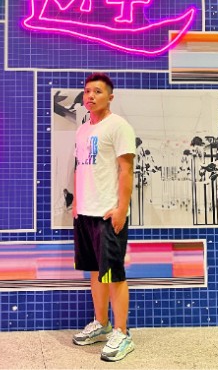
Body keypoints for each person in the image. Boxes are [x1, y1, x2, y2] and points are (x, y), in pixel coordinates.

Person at [72, 72, 136, 362]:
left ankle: (122, 333)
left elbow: (126, 170)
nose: (91, 96)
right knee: (95, 271)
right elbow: (80, 168)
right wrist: (77, 203)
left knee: (113, 274)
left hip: (108, 214)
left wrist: (121, 208)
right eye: (87, 91)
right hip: (85, 212)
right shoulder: (83, 130)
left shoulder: (119, 126)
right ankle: (102, 324)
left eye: (97, 91)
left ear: (110, 96)